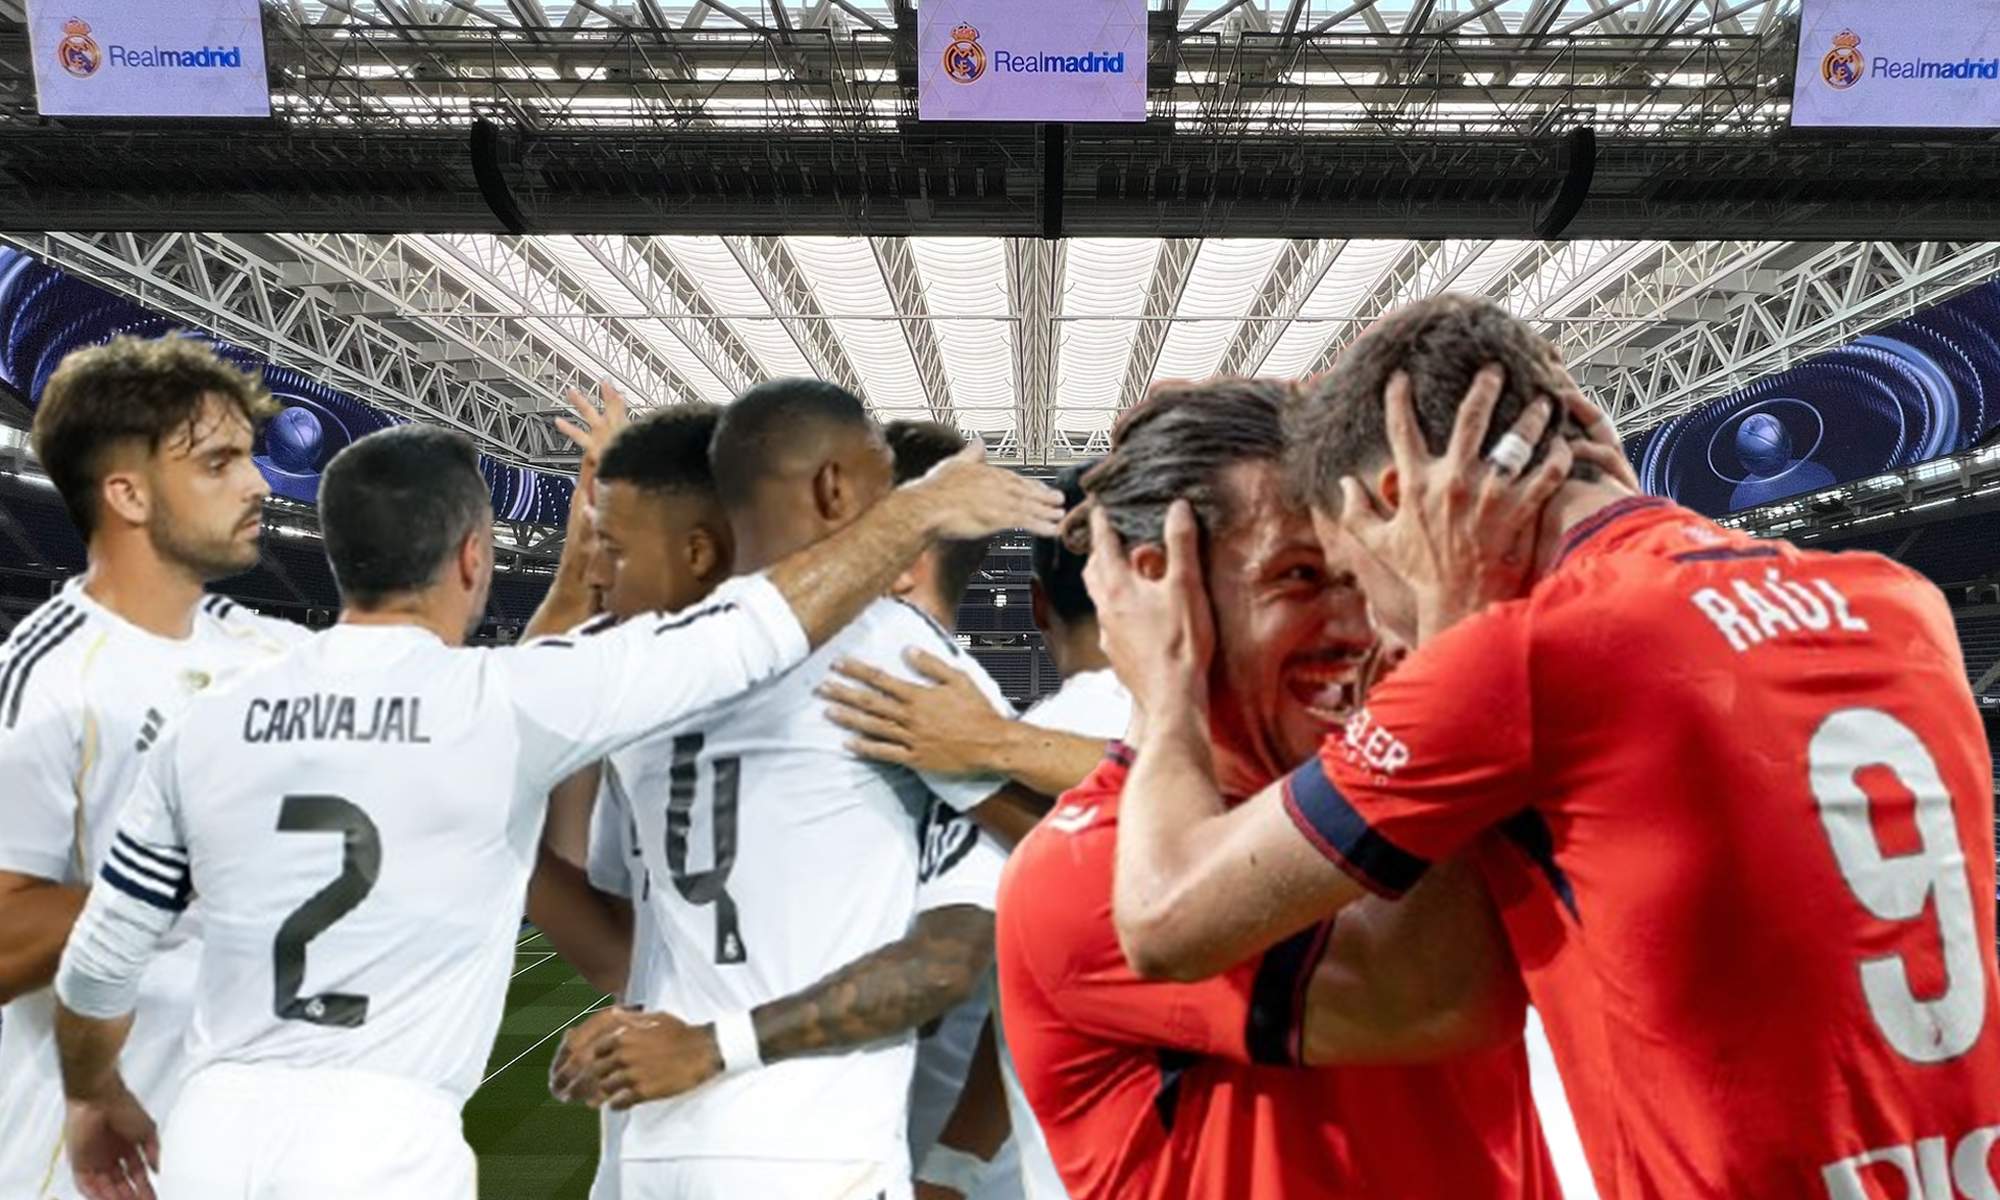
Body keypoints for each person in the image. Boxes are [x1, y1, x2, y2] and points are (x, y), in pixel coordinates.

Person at [1090, 295, 2000, 1196]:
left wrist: (1167, 679)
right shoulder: (1896, 598)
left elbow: (1166, 922)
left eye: (1352, 563)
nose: (1367, 617)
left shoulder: (1519, 662)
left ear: (1403, 502)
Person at [50, 416, 1059, 1200]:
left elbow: (101, 959)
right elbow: (750, 630)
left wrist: (95, 1094)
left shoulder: (210, 722)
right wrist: (912, 511)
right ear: (475, 561)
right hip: (381, 1138)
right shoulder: (504, 707)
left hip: (213, 1124)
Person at [996, 377, 1558, 1200]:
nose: (1358, 624)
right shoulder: (1089, 874)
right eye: (1299, 577)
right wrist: (1453, 635)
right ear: (1162, 588)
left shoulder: (1403, 780)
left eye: (1365, 573)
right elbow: (1433, 999)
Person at [553, 383, 1044, 1200]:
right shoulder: (887, 650)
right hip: (810, 1153)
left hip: (647, 1152)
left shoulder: (640, 672)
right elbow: (968, 939)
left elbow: (623, 941)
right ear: (834, 489)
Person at [0, 336, 309, 1200]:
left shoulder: (270, 650)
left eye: (248, 458)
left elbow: (453, 693)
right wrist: (183, 872)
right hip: (83, 1170)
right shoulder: (50, 677)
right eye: (219, 463)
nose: (258, 485)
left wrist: (586, 560)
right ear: (127, 494)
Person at [822, 460, 1130, 1200]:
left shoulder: (1039, 730)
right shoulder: (1258, 727)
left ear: (1033, 605)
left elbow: (949, 969)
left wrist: (979, 763)